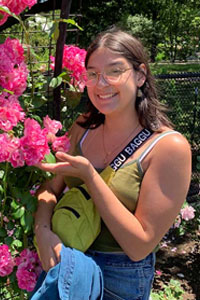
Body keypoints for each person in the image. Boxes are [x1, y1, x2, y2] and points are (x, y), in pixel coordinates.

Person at [34, 28, 191, 300]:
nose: (101, 83)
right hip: (64, 258)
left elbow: (139, 246)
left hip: (119, 279)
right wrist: (42, 231)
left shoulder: (167, 147)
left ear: (140, 75)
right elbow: (49, 188)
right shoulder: (82, 128)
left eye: (114, 71)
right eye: (92, 74)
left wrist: (90, 178)